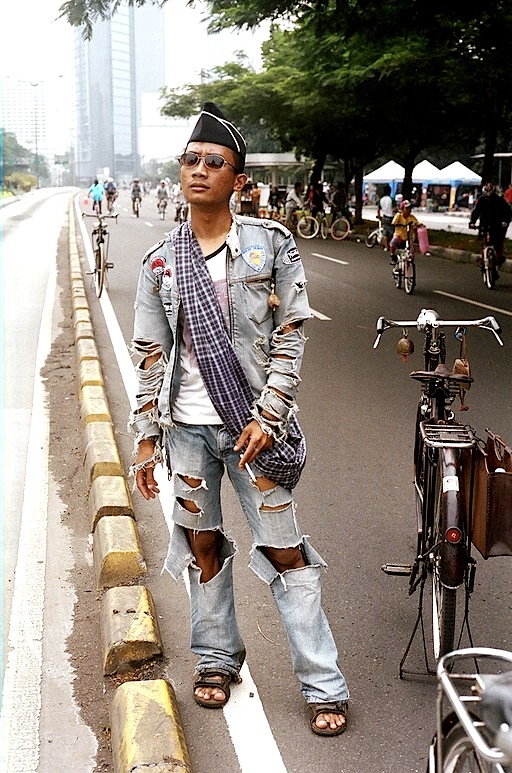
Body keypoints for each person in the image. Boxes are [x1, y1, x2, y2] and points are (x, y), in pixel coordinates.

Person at [129, 101, 349, 737]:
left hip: (253, 431)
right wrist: (146, 440)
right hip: (187, 433)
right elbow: (151, 354)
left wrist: (270, 414)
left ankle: (323, 683)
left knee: (285, 551)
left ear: (239, 179)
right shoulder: (160, 262)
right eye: (191, 160)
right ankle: (216, 658)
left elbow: (291, 332)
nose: (199, 170)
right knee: (202, 546)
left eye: (214, 162)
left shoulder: (270, 245)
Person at [469, 182, 511, 273]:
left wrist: (505, 221)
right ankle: (483, 259)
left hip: (497, 225)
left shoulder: (499, 200)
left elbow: (507, 211)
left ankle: (498, 259)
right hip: (485, 224)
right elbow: (476, 212)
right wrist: (472, 222)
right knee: (485, 241)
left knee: (498, 244)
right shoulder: (481, 200)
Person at [389, 199, 422, 264]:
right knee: (393, 243)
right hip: (399, 236)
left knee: (411, 251)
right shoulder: (398, 215)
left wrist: (419, 225)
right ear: (402, 209)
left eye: (410, 208)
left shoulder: (411, 217)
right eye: (407, 208)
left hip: (408, 237)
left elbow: (416, 223)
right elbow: (394, 223)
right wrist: (398, 225)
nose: (409, 210)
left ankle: (410, 263)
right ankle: (392, 256)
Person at [376, 184, 395, 251]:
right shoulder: (391, 199)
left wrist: (379, 217)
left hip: (384, 217)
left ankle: (386, 247)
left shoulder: (381, 199)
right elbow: (395, 208)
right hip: (390, 218)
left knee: (385, 232)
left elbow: (378, 210)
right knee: (392, 233)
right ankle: (391, 245)